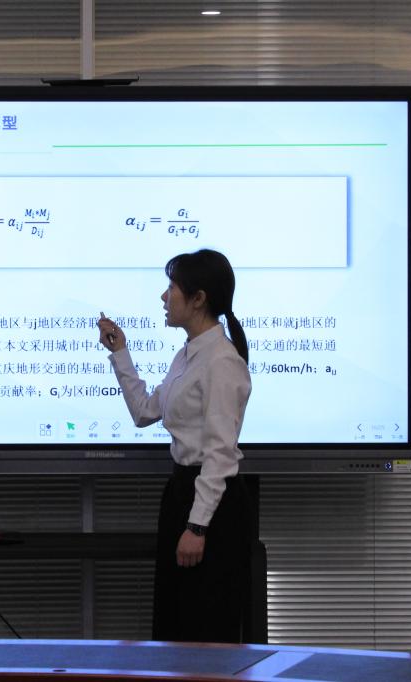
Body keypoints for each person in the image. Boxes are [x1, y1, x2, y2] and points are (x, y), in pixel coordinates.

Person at [97, 248, 252, 643]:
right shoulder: (187, 354)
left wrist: (197, 526)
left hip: (212, 507)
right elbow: (145, 411)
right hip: (181, 493)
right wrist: (120, 353)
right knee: (175, 620)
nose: (164, 297)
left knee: (206, 625)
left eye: (172, 288)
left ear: (198, 298)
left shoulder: (221, 360)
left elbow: (220, 454)